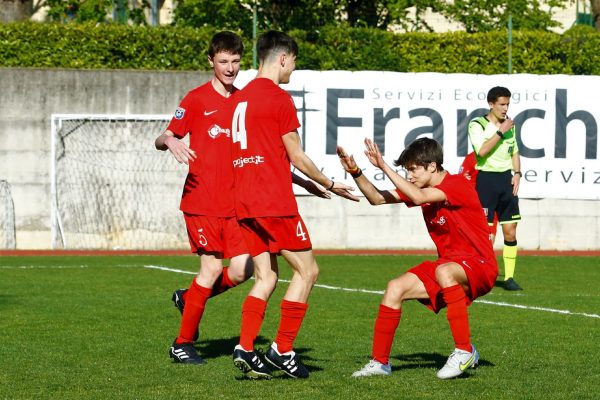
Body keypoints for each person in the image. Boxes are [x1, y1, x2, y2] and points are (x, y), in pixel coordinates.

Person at [155, 31, 329, 366]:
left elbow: (260, 158)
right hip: (202, 201)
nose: (230, 68)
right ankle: (182, 343)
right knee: (209, 270)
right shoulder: (195, 99)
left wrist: (299, 181)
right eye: (223, 61)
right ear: (211, 62)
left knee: (240, 271)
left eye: (235, 61)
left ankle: (190, 298)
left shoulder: (242, 101)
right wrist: (169, 140)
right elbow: (164, 136)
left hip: (237, 204)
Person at [228, 30, 359, 380]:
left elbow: (262, 157)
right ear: (283, 57)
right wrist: (330, 182)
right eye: (294, 62)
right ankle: (282, 349)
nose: (292, 69)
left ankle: (244, 345)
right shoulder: (278, 98)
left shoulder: (239, 100)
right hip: (273, 203)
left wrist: (305, 184)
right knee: (308, 271)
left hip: (245, 201)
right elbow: (295, 155)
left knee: (267, 276)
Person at [337, 137, 498, 380]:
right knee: (395, 288)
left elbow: (420, 197)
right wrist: (355, 171)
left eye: (413, 169)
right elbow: (376, 198)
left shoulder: (456, 185)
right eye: (407, 170)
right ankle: (380, 362)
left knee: (444, 272)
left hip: (480, 265)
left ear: (432, 166)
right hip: (449, 265)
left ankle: (463, 350)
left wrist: (383, 166)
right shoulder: (420, 189)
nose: (409, 175)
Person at [467, 86, 523, 291]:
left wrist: (517, 173)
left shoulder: (510, 125)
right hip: (487, 180)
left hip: (506, 181)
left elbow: (515, 151)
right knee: (484, 233)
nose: (505, 108)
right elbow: (481, 151)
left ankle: (509, 278)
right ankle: (482, 273)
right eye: (502, 104)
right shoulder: (477, 124)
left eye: (507, 104)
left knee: (510, 230)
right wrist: (501, 131)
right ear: (491, 104)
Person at [458, 152, 498, 241]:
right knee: (471, 241)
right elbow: (460, 178)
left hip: (490, 204)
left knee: (489, 240)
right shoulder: (471, 157)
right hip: (472, 206)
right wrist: (463, 178)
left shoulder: (498, 156)